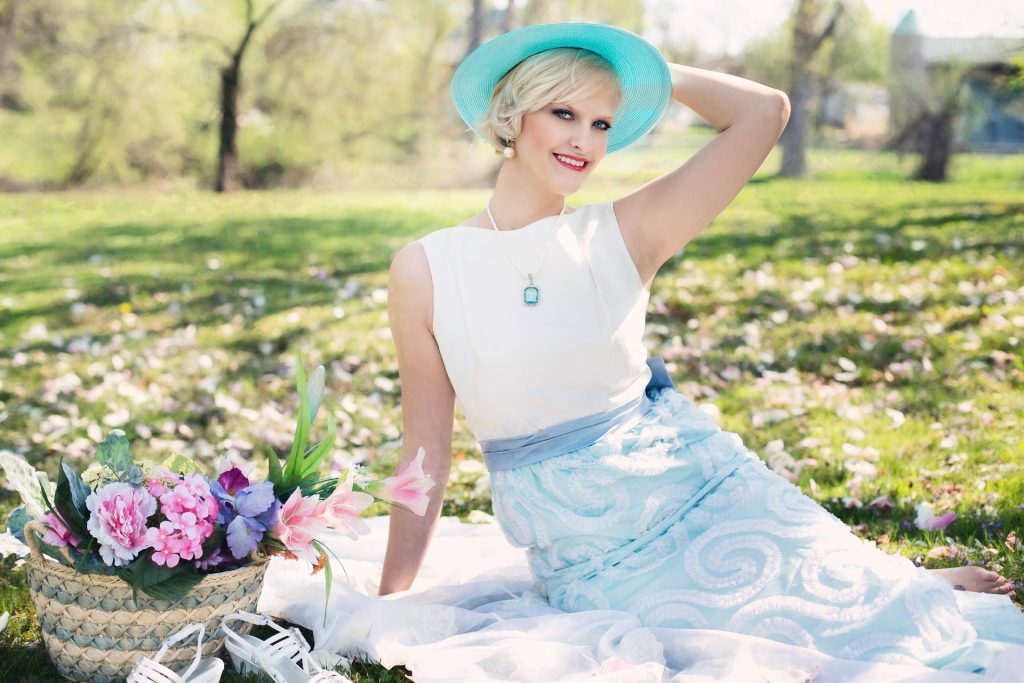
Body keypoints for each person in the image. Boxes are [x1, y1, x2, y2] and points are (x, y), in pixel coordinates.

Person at [378, 21, 1022, 673]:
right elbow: (424, 450)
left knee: (846, 620)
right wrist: (390, 597)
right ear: (512, 115)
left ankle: (903, 585)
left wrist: (651, 71)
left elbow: (762, 113)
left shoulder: (628, 230)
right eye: (563, 112)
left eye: (602, 123)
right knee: (703, 637)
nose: (583, 140)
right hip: (588, 549)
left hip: (692, 489)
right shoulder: (428, 266)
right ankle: (895, 582)